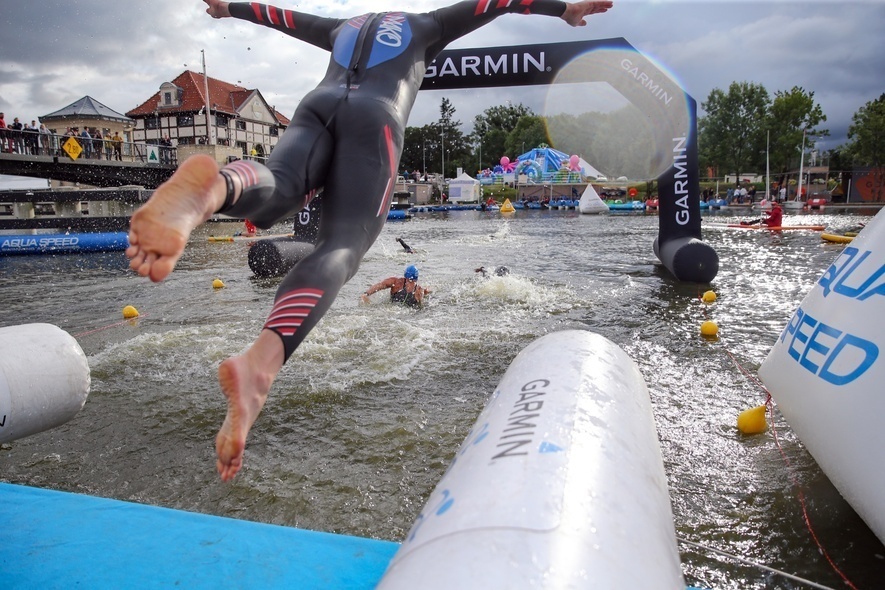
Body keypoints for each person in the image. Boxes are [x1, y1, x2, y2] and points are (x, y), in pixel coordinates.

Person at [126, 0, 614, 482]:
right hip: (375, 118)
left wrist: (229, 7)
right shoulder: (429, 24)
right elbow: (499, 1)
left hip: (316, 108)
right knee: (342, 245)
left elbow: (281, 17)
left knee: (276, 188)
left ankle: (214, 190)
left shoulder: (343, 26)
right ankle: (261, 364)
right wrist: (564, 10)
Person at [361, 265, 430, 308]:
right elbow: (379, 285)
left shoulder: (419, 290)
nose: (410, 282)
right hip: (394, 311)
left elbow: (421, 307)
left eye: (412, 281)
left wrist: (425, 294)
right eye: (409, 280)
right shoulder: (396, 282)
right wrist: (366, 294)